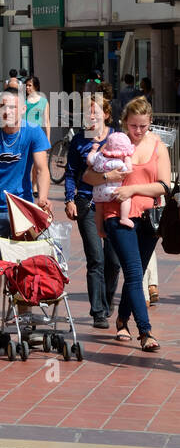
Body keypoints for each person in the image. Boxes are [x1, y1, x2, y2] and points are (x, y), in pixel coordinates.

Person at [83, 96, 170, 352]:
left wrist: (132, 191)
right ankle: (146, 331)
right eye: (134, 126)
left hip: (149, 217)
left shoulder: (158, 146)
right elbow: (88, 176)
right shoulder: (115, 142)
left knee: (138, 273)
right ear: (125, 123)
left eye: (143, 126)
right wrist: (108, 176)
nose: (138, 131)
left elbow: (165, 185)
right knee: (133, 272)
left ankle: (122, 320)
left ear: (150, 122)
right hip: (116, 215)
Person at [0, 88, 51, 337]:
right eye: (2, 107)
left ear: (22, 110)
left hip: (23, 207)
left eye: (12, 107)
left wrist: (42, 197)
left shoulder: (33, 132)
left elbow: (42, 168)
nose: (7, 112)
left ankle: (25, 314)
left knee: (25, 262)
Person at [63, 93, 120, 329]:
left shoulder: (117, 138)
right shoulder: (79, 140)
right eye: (88, 112)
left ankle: (107, 301)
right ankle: (98, 311)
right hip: (86, 202)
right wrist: (70, 199)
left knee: (114, 261)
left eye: (96, 110)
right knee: (95, 257)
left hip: (113, 203)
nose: (92, 115)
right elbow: (70, 173)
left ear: (106, 114)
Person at [88, 131, 136, 231]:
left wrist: (93, 150)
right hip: (111, 192)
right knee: (127, 198)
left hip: (97, 193)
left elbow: (89, 161)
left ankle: (100, 229)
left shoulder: (98, 157)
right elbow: (128, 170)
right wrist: (127, 160)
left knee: (99, 210)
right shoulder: (117, 163)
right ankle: (124, 218)